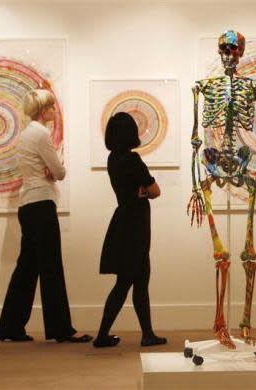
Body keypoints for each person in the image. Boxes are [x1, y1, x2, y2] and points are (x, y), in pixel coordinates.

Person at [0, 89, 92, 344]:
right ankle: (61, 329)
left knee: (26, 268)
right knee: (51, 267)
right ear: (42, 110)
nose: (53, 111)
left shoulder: (25, 135)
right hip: (41, 204)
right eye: (50, 107)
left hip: (26, 204)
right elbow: (59, 173)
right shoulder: (41, 134)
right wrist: (54, 169)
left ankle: (10, 326)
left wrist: (49, 170)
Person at [93, 112, 166, 348]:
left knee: (131, 279)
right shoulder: (133, 160)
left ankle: (143, 333)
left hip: (123, 220)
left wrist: (139, 191)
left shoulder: (113, 159)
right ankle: (134, 334)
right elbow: (155, 191)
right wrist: (143, 192)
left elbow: (139, 190)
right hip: (136, 223)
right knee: (132, 280)